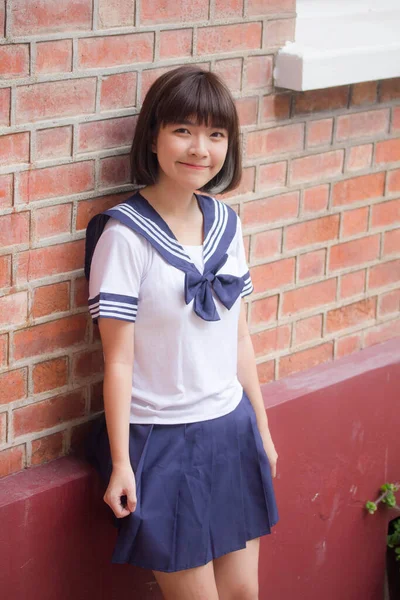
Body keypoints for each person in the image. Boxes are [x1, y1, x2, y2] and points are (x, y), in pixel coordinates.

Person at [84, 65, 279, 600]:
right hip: (162, 441)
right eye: (184, 130)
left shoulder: (228, 223)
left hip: (230, 429)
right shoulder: (125, 235)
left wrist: (261, 430)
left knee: (244, 594)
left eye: (216, 134)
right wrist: (122, 463)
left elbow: (240, 338)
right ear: (154, 135)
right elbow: (117, 360)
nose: (200, 149)